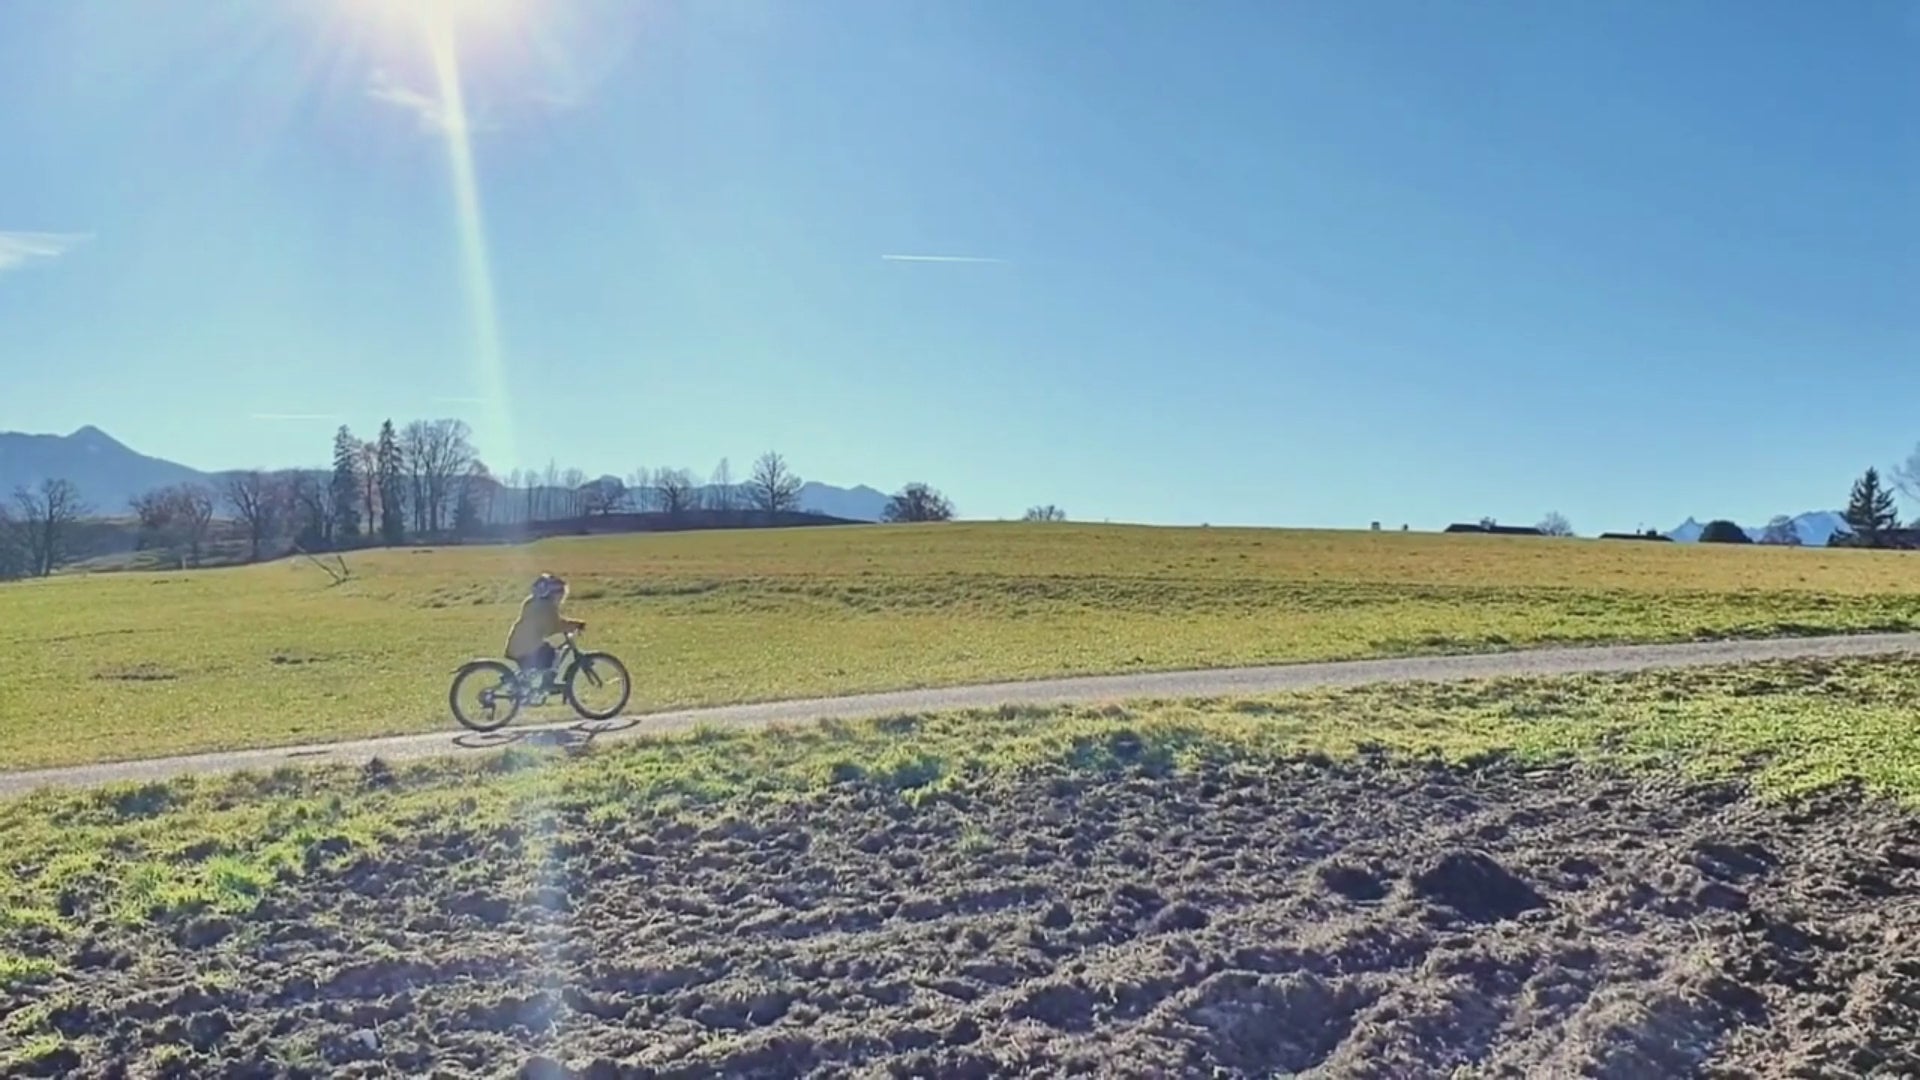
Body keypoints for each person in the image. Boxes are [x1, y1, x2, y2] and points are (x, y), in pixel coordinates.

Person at [506, 572, 585, 692]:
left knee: (539, 663)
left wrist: (568, 624)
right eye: (560, 594)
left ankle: (525, 687)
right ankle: (547, 684)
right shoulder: (548, 606)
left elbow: (550, 623)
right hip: (527, 647)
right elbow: (553, 627)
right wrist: (575, 625)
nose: (561, 598)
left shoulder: (532, 602)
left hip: (518, 644)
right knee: (553, 655)